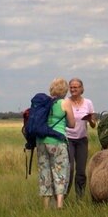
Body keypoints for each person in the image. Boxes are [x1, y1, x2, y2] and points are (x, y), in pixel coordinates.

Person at [37, 78, 75, 209]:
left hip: (41, 141)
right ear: (65, 90)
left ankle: (46, 207)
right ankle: (59, 205)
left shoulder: (44, 103)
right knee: (60, 172)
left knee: (44, 173)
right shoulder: (65, 103)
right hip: (58, 142)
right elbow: (72, 124)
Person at [65, 78, 96, 198]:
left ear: (81, 89)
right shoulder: (65, 102)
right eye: (71, 87)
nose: (73, 89)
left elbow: (93, 124)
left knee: (81, 171)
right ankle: (63, 196)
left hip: (82, 140)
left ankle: (80, 197)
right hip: (68, 138)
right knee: (70, 169)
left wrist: (90, 120)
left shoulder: (88, 103)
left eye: (76, 87)